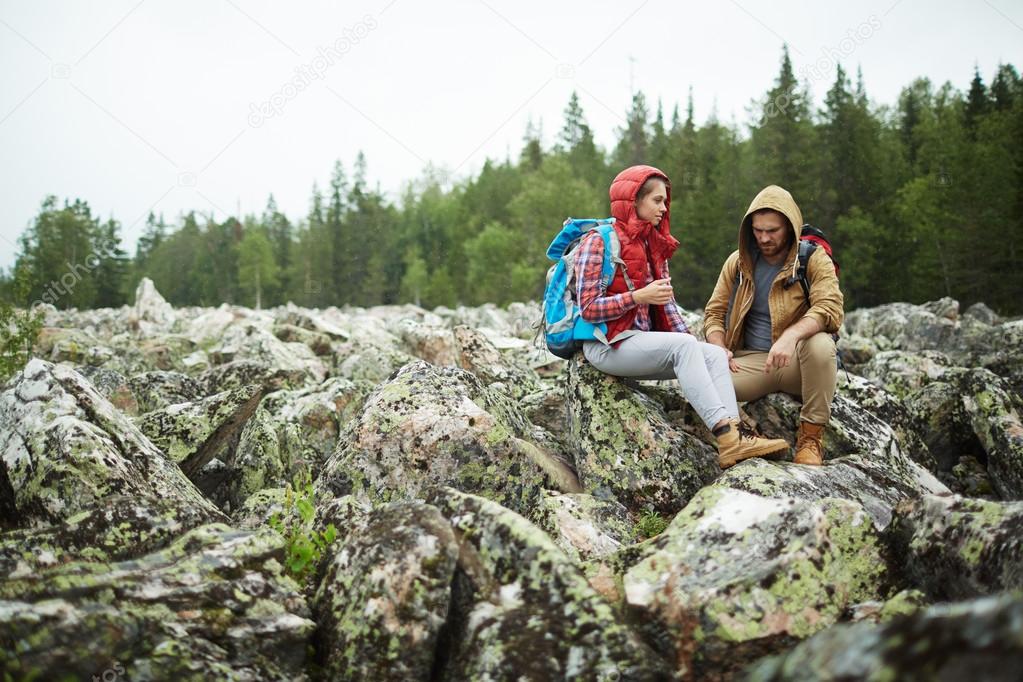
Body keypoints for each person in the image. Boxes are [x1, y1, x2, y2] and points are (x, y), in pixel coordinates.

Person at [577, 165, 789, 469]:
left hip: (638, 342)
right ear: (633, 200)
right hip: (604, 345)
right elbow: (588, 308)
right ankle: (725, 433)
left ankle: (736, 439)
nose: (664, 208)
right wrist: (637, 297)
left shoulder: (653, 244)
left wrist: (704, 348)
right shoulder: (598, 241)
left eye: (665, 201)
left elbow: (669, 309)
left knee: (713, 354)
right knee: (684, 347)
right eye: (657, 201)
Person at [703, 185, 844, 466]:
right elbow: (713, 314)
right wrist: (719, 347)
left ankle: (811, 440)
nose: (764, 238)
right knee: (695, 379)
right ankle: (745, 435)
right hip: (751, 363)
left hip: (799, 364)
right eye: (758, 231)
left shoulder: (813, 259)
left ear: (790, 227)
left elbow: (830, 309)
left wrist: (791, 336)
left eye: (773, 231)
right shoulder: (738, 263)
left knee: (820, 344)